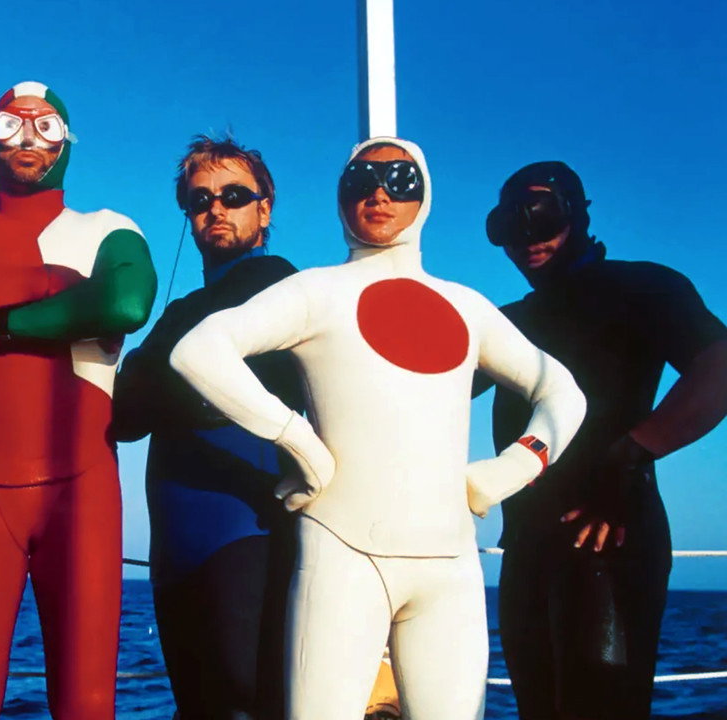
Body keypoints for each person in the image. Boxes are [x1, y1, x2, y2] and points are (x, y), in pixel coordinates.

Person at [169, 137, 587, 720]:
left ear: (425, 192)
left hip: (449, 568)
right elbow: (198, 351)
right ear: (341, 195)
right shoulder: (315, 292)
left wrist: (513, 467)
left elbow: (562, 392)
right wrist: (295, 439)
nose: (380, 194)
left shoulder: (467, 307)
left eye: (400, 180)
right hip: (340, 558)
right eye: (361, 181)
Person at [0, 80, 157, 720]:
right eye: (11, 124)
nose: (27, 138)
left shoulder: (109, 229)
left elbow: (125, 302)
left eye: (45, 127)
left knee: (88, 702)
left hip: (83, 491)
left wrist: (0, 324)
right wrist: (60, 285)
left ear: (68, 143)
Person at [482, 161, 727, 720]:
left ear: (578, 213)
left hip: (610, 541)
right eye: (509, 225)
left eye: (542, 215)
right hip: (526, 547)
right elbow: (416, 377)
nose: (528, 238)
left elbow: (719, 366)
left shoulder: (642, 287)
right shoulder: (504, 323)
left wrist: (629, 458)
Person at [112, 135, 298, 720]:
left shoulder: (283, 287)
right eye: (200, 200)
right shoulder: (182, 312)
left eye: (234, 195)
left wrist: (150, 368)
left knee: (248, 704)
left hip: (248, 535)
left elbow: (148, 392)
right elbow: (125, 417)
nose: (216, 208)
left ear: (264, 210)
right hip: (177, 548)